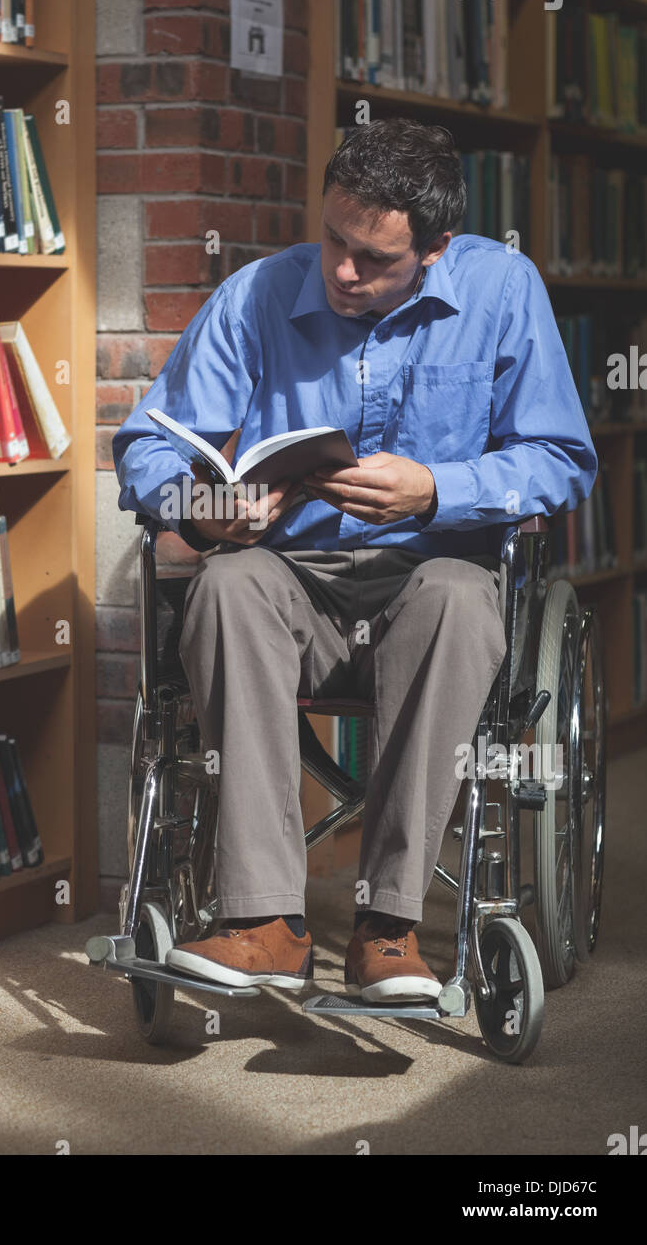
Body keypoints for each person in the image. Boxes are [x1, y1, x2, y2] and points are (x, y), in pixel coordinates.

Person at [112, 118, 597, 1003]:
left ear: (438, 249)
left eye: (373, 259)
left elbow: (561, 459)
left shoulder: (502, 289)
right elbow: (145, 444)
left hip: (431, 585)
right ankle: (263, 921)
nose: (342, 270)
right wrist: (203, 506)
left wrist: (438, 491)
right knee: (224, 584)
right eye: (334, 239)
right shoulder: (259, 294)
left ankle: (388, 926)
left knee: (455, 593)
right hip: (290, 585)